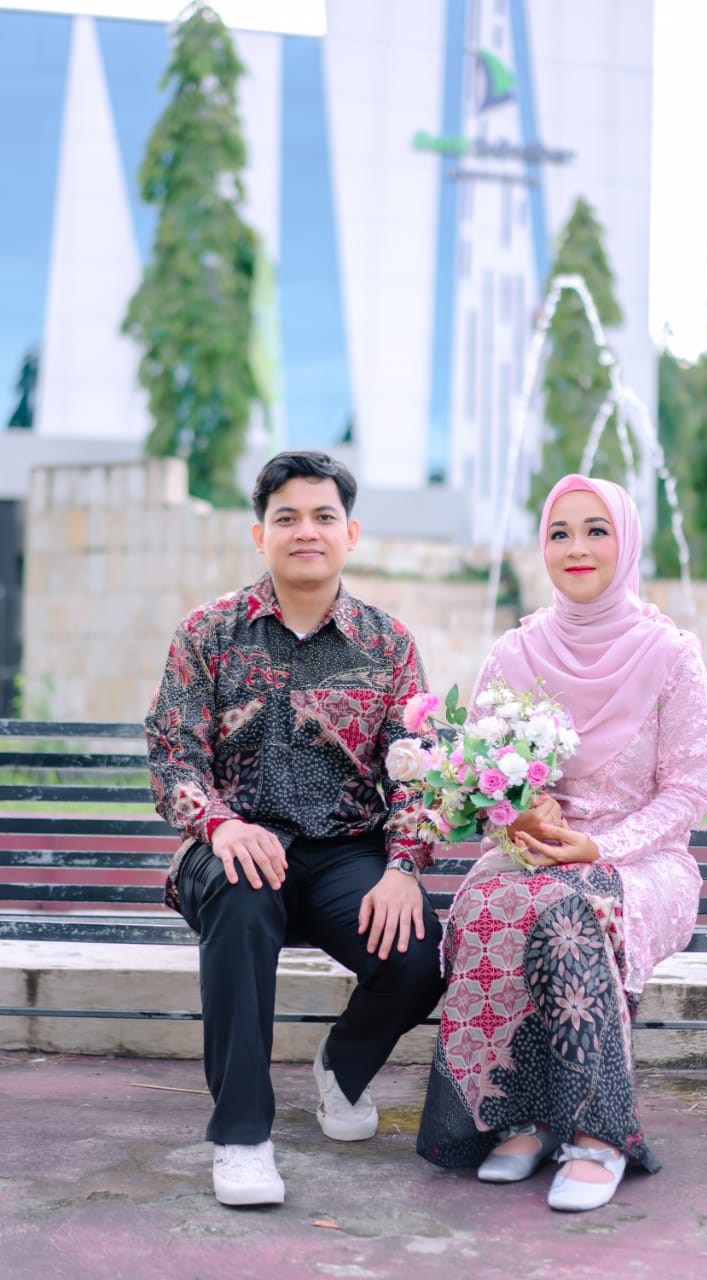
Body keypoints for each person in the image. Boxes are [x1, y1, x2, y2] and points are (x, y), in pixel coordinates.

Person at [145, 450, 445, 1208]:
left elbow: (419, 771)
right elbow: (173, 754)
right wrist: (218, 826)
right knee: (244, 897)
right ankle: (242, 1137)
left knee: (418, 955)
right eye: (287, 518)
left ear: (350, 533)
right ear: (260, 535)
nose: (305, 531)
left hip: (346, 853)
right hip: (233, 846)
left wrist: (403, 868)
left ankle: (343, 1066)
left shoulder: (387, 643)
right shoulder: (208, 633)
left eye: (322, 516)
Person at [416, 474, 707, 1213]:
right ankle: (521, 1115)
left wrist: (597, 849)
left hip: (641, 861)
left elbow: (688, 793)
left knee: (567, 911)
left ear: (626, 542)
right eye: (559, 532)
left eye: (595, 530)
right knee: (486, 902)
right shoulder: (514, 652)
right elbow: (480, 781)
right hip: (532, 852)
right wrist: (514, 818)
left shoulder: (670, 654)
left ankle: (597, 1134)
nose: (576, 547)